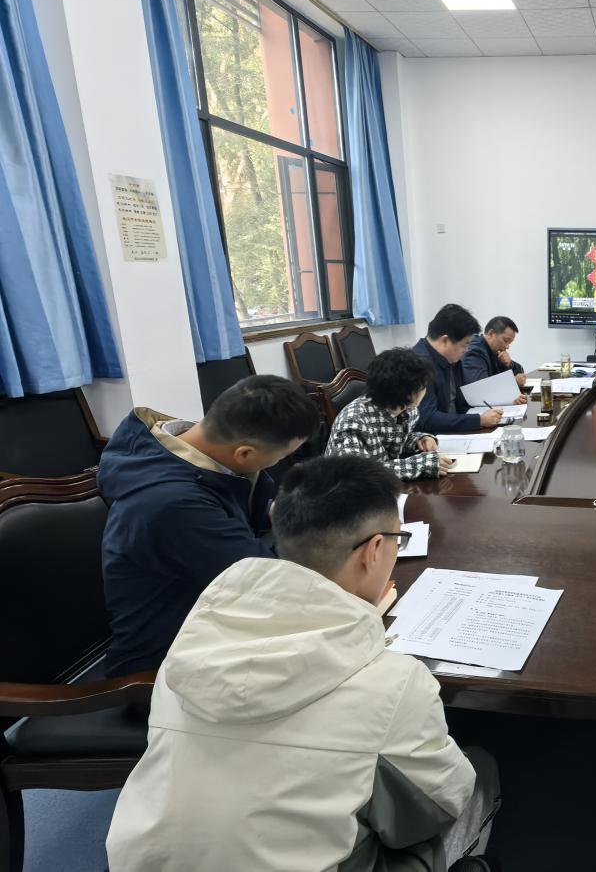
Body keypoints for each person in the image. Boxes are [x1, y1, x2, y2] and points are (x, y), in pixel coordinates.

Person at [106, 455, 500, 872]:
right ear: (374, 550)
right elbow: (437, 808)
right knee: (479, 773)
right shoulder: (396, 682)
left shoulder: (191, 644)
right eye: (396, 541)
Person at [98, 376, 318, 677]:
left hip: (215, 623)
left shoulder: (190, 450)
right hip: (166, 666)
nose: (278, 464)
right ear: (244, 453)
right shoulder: (174, 505)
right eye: (280, 457)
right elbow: (272, 584)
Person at [327, 348, 456, 480]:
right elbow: (356, 474)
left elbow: (393, 439)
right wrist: (421, 464)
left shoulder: (406, 408)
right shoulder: (352, 422)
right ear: (410, 393)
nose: (425, 389)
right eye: (423, 385)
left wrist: (417, 440)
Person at [412, 304, 503, 433]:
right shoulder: (418, 365)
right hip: (433, 439)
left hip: (456, 432)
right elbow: (426, 419)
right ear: (445, 341)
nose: (466, 350)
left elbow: (461, 403)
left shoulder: (451, 359)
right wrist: (478, 420)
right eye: (465, 345)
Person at [462, 316, 528, 403]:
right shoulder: (475, 351)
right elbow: (480, 389)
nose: (507, 346)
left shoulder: (495, 350)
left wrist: (509, 364)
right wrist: (513, 382)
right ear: (491, 333)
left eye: (510, 343)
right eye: (506, 340)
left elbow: (520, 371)